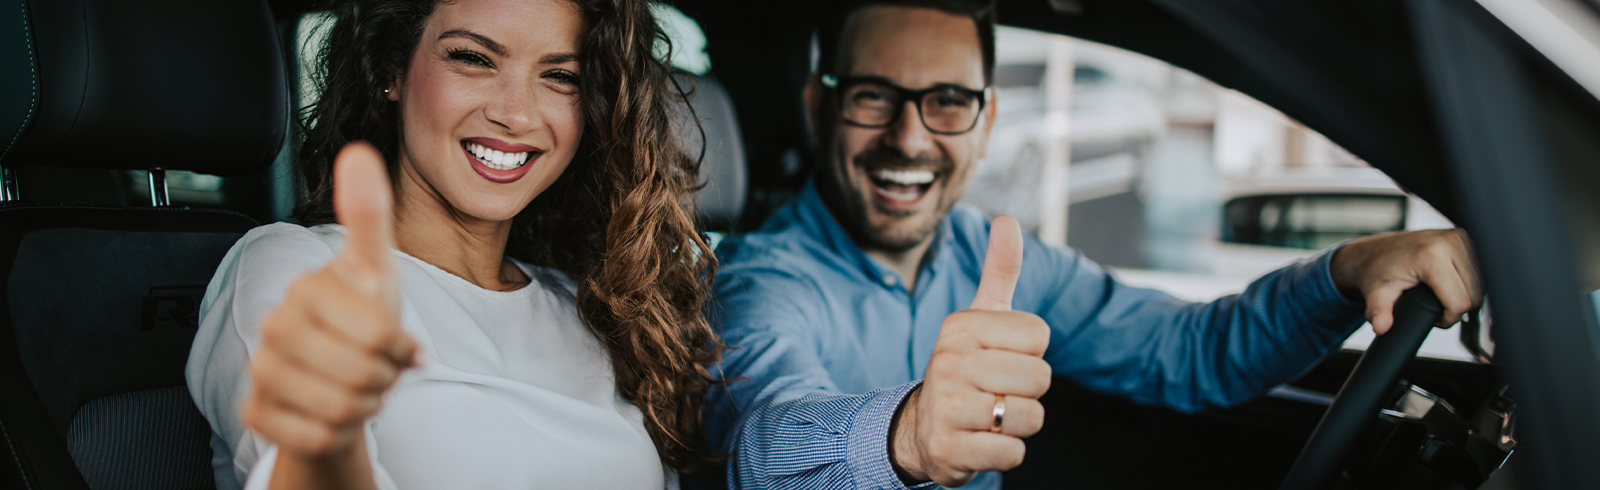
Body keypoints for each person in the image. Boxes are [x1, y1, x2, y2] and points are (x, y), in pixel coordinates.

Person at [704, 0, 1484, 488]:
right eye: (874, 96)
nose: (909, 138)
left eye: (947, 101)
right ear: (819, 105)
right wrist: (906, 434)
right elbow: (762, 442)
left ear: (987, 121)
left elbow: (1191, 352)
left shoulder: (1000, 257)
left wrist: (1347, 271)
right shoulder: (758, 283)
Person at [185, 0, 720, 488]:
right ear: (392, 70)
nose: (516, 114)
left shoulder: (595, 306)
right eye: (473, 58)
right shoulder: (296, 272)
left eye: (560, 76)